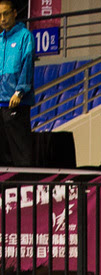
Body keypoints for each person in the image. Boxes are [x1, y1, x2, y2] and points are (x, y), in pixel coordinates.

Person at [0, 0, 35, 167]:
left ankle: (25, 184)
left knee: (20, 149)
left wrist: (19, 92)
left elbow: (27, 64)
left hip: (16, 102)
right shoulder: (0, 40)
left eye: (6, 13)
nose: (3, 18)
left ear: (14, 13)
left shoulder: (25, 36)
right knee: (3, 150)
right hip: (1, 102)